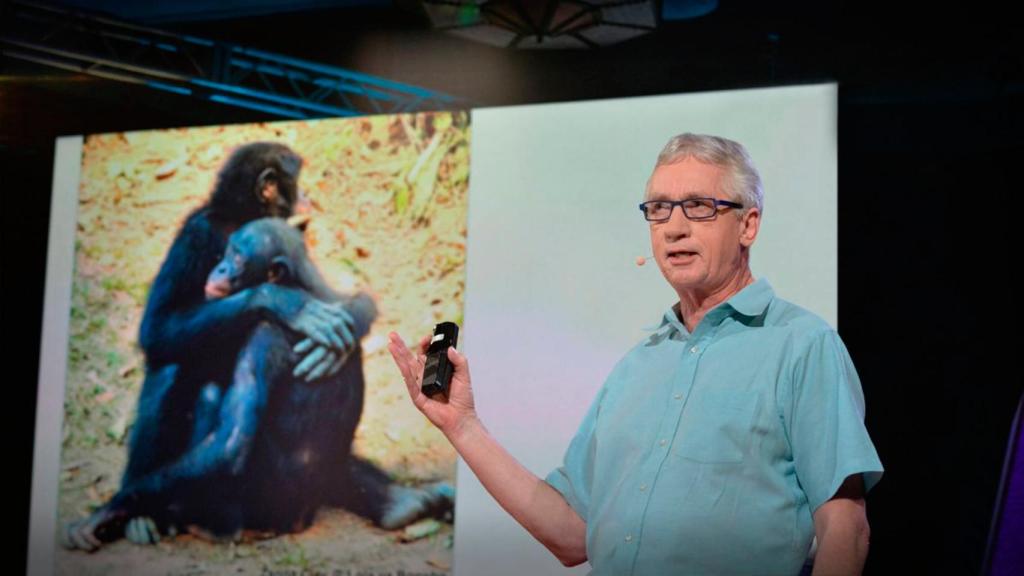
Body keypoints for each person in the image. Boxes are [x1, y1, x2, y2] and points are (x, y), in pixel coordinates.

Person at [388, 133, 883, 575]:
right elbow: (570, 533)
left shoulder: (801, 344)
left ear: (748, 225)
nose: (674, 227)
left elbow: (846, 528)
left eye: (699, 207)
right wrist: (463, 426)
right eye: (659, 209)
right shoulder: (639, 363)